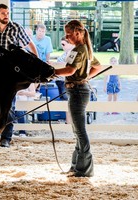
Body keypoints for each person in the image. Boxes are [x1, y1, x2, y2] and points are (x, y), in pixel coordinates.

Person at [0, 4, 38, 148]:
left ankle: (6, 137)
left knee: (9, 105)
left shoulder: (16, 27)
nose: (6, 15)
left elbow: (29, 43)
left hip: (11, 73)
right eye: (3, 13)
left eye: (8, 13)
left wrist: (36, 60)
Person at [54, 20, 101, 177]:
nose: (67, 37)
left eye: (69, 34)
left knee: (79, 131)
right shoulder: (82, 49)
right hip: (77, 90)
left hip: (78, 92)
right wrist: (85, 78)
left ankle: (84, 169)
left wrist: (52, 72)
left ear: (78, 33)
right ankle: (77, 166)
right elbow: (97, 66)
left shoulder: (80, 50)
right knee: (77, 130)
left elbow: (70, 70)